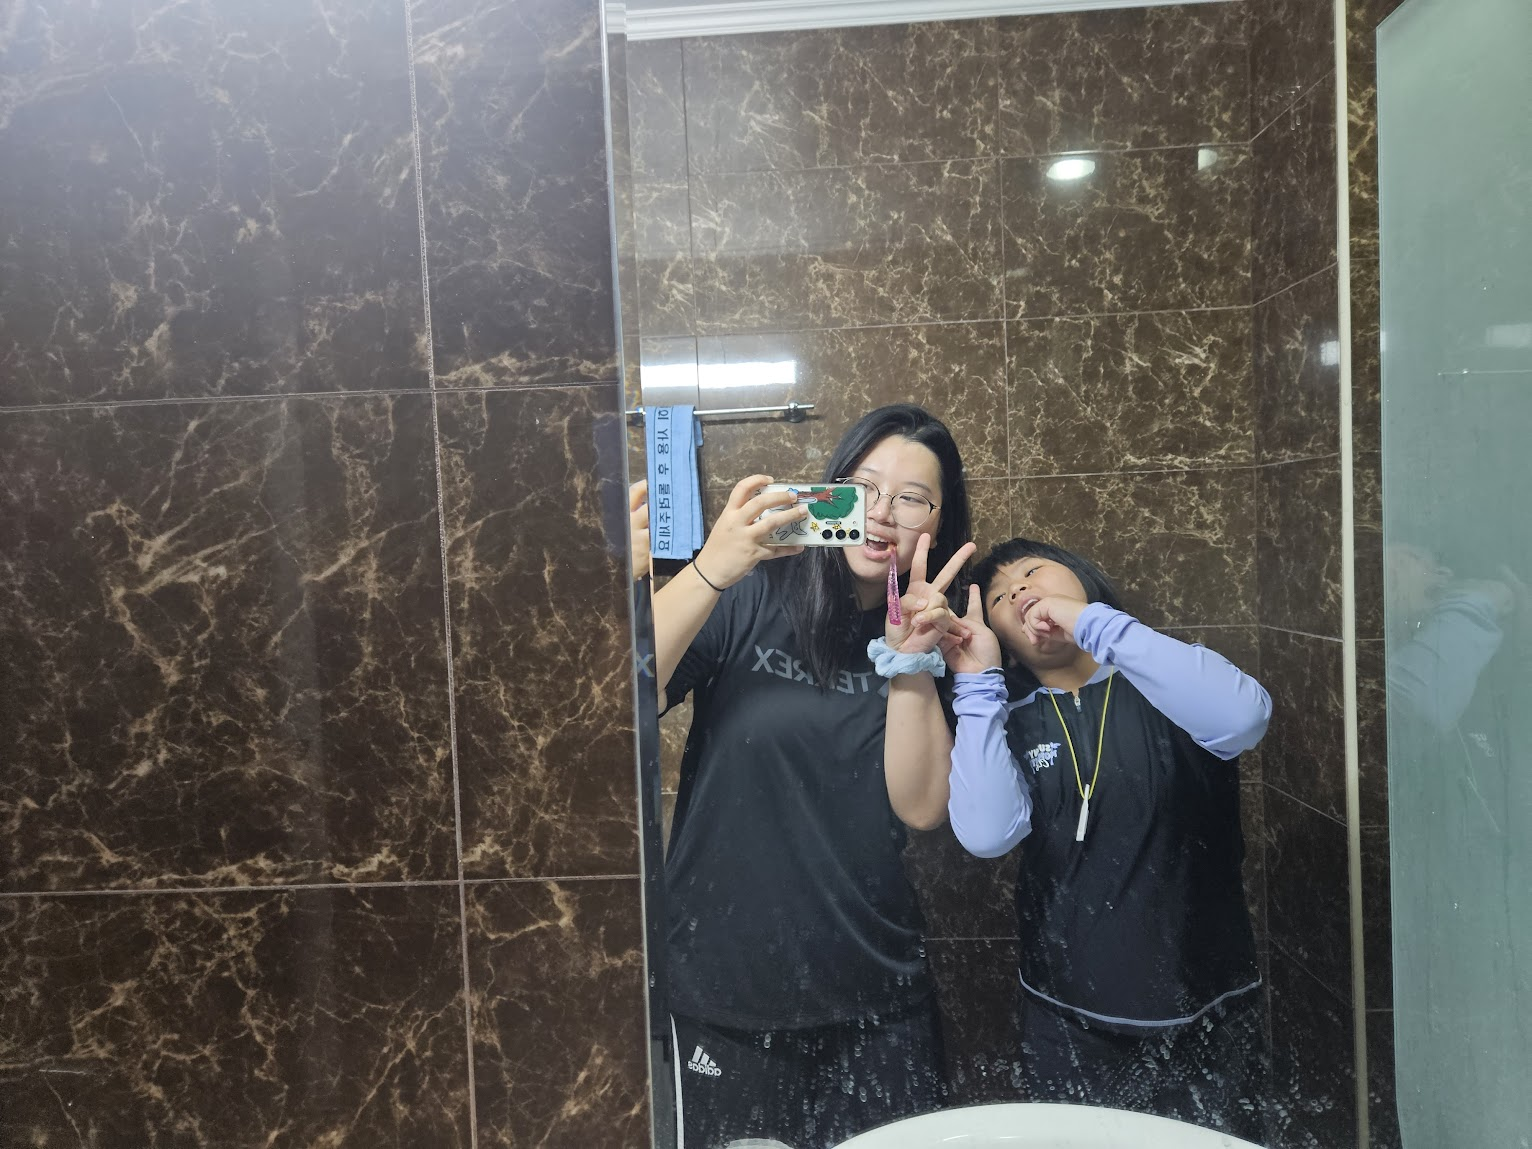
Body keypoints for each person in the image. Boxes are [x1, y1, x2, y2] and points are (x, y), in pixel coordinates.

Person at [651, 404, 976, 1149]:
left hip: (876, 995)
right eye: (863, 486)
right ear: (828, 491)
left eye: (912, 498)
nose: (881, 512)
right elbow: (615, 699)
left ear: (939, 521)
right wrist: (710, 570)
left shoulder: (943, 630)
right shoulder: (753, 592)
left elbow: (923, 808)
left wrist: (911, 661)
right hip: (725, 989)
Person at [939, 538, 1272, 1141]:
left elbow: (1244, 718)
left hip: (1209, 1006)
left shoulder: (1166, 676)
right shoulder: (1006, 715)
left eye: (1033, 572)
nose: (1019, 590)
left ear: (1082, 579)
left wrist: (1092, 623)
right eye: (1000, 598)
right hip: (1068, 1016)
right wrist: (977, 686)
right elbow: (987, 834)